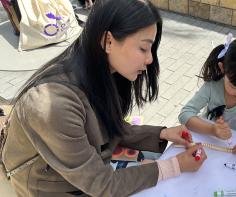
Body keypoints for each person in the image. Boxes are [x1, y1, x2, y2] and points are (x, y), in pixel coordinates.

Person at [1, 0, 207, 196]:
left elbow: (109, 127)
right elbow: (103, 185)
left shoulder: (103, 74)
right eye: (144, 48)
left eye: (151, 48)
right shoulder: (53, 105)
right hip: (50, 189)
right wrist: (175, 165)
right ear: (108, 40)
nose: (150, 58)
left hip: (83, 178)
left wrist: (162, 134)